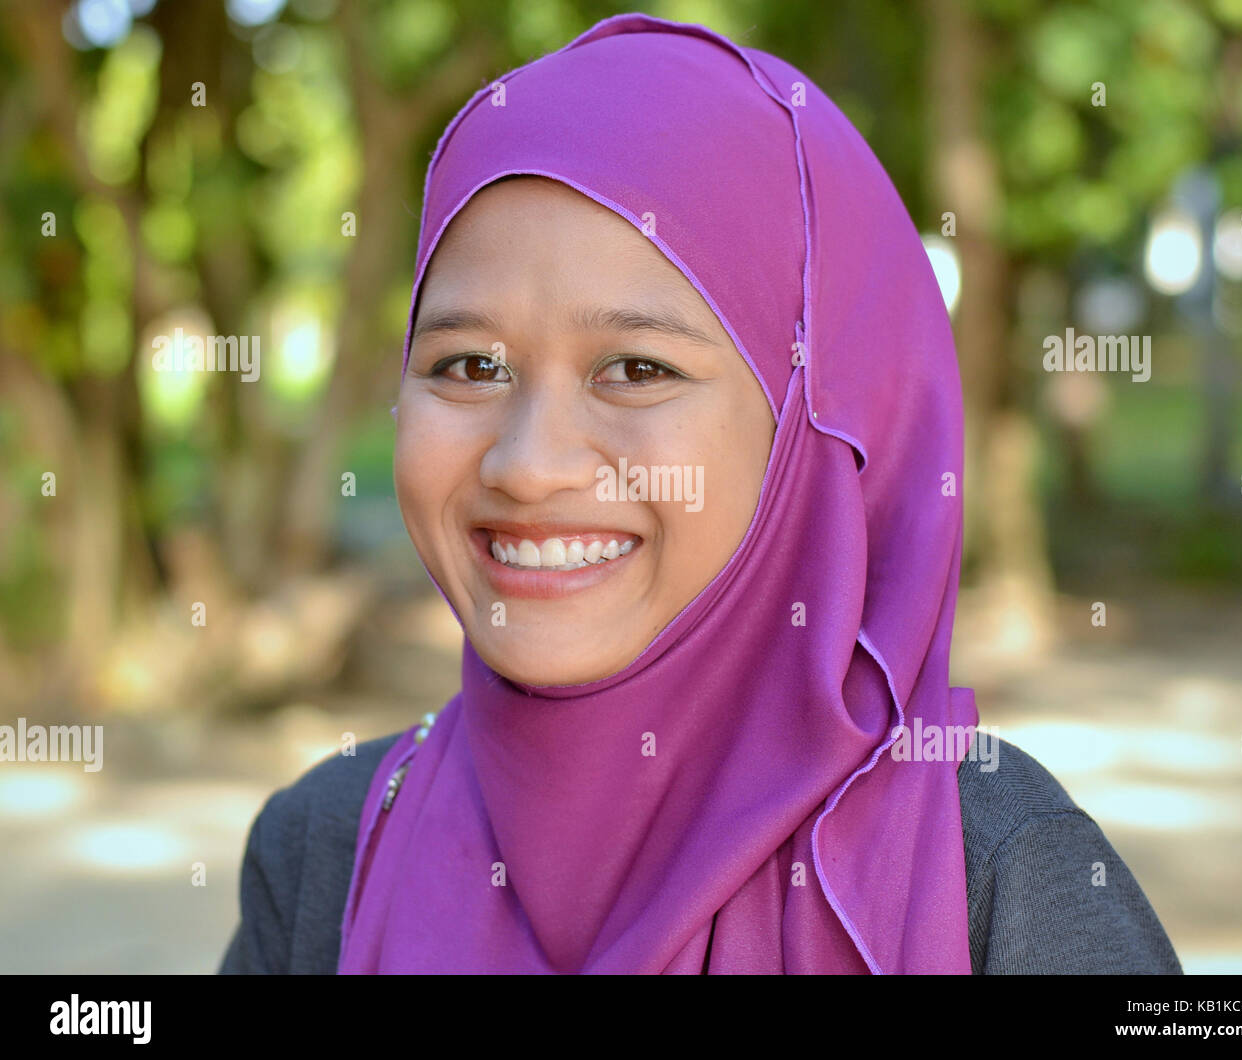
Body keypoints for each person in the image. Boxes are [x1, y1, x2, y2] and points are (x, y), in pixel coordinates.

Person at [218, 12, 1181, 975]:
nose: (526, 464)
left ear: (806, 430)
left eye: (635, 369)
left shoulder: (1000, 881)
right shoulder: (325, 855)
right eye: (469, 364)